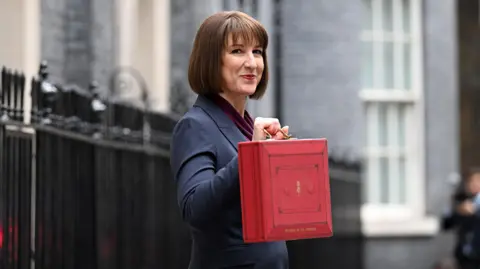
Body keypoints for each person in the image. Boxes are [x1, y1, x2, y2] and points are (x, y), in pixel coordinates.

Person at [170, 11, 290, 269]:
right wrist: (252, 154)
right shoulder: (195, 125)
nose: (252, 63)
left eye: (257, 52)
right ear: (211, 61)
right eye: (237, 51)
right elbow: (195, 208)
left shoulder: (247, 126)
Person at [441, 168, 480, 269]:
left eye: (478, 181)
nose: (474, 184)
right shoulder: (462, 201)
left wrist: (475, 210)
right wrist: (458, 211)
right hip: (465, 255)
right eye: (471, 181)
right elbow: (446, 224)